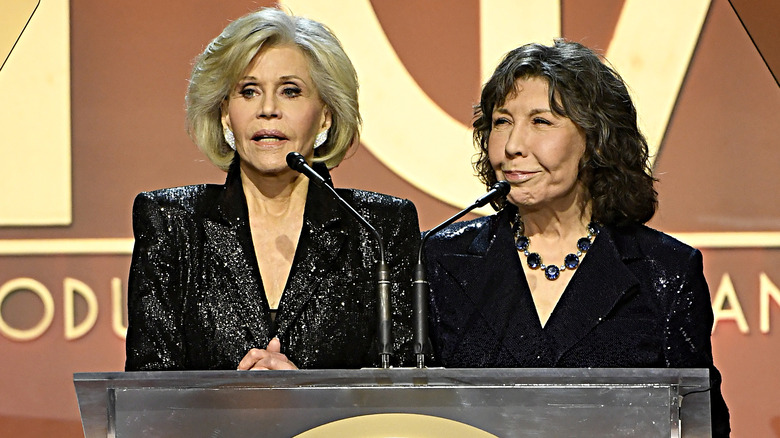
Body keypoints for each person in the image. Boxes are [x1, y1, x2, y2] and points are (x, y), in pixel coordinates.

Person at [423, 40, 729, 436]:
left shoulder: (664, 270)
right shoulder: (439, 259)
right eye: (502, 121)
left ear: (596, 138)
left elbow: (699, 425)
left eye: (541, 122)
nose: (513, 146)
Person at [125, 8, 419, 371]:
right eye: (248, 91)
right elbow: (147, 393)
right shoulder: (172, 224)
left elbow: (407, 392)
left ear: (325, 115)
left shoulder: (379, 229)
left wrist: (307, 401)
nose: (267, 109)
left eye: (290, 91)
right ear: (224, 113)